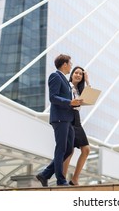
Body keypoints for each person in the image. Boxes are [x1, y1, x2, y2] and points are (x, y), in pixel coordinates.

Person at [36, 54, 82, 187]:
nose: (71, 66)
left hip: (68, 119)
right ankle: (61, 180)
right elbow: (53, 97)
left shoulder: (66, 81)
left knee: (68, 149)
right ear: (65, 64)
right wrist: (70, 102)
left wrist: (75, 102)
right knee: (61, 148)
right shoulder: (55, 76)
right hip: (60, 119)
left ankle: (44, 174)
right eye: (70, 63)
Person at [63, 66, 91, 186]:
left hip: (77, 119)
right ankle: (62, 179)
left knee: (86, 149)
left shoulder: (79, 90)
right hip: (69, 116)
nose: (78, 75)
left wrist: (88, 80)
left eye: (81, 74)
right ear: (72, 74)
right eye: (76, 73)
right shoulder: (66, 85)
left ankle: (74, 179)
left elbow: (90, 98)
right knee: (69, 150)